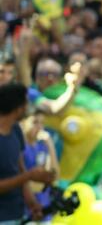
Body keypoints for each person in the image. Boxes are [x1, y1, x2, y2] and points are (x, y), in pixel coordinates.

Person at [0, 83, 55, 224]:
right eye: (25, 102)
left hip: (18, 214)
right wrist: (30, 175)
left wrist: (32, 203)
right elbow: (24, 175)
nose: (27, 107)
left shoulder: (15, 130)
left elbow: (20, 168)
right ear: (18, 107)